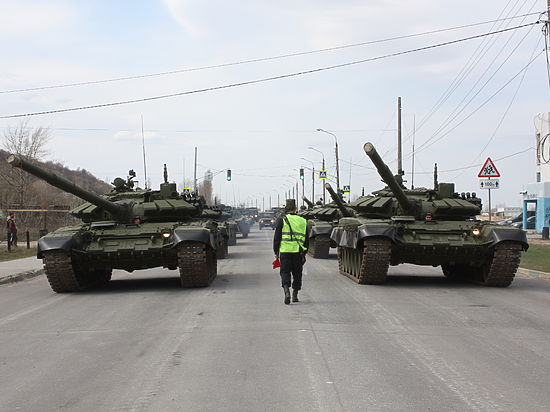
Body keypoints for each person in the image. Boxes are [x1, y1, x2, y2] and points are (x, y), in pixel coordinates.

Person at [273, 199, 309, 304]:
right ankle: (295, 295)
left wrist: (276, 251)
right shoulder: (303, 221)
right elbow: (306, 238)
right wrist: (304, 251)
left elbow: (277, 237)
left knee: (285, 272)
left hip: (285, 251)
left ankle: (286, 292)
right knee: (297, 273)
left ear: (286, 209)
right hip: (298, 252)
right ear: (295, 209)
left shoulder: (282, 220)